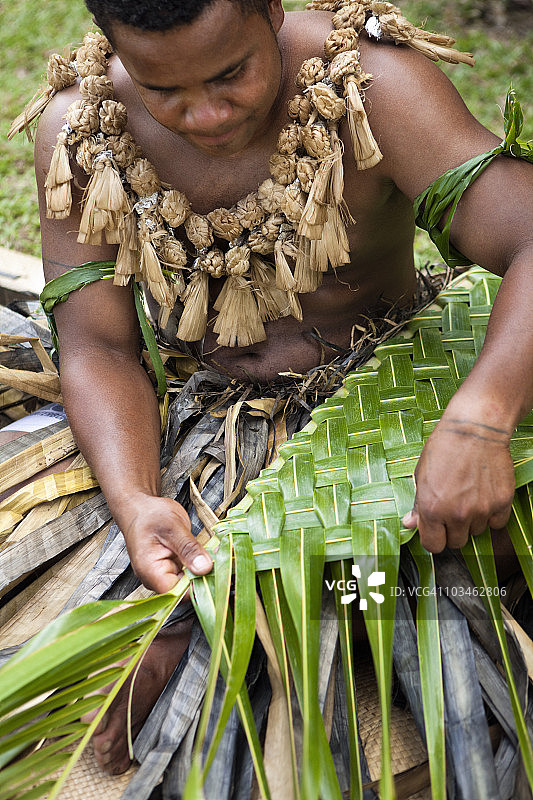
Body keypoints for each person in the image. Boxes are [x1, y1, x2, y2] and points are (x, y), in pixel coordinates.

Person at [6, 0, 533, 779]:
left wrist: (481, 420)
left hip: (389, 393)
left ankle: (216, 622)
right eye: (164, 90)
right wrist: (134, 498)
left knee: (453, 556)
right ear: (115, 52)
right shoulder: (84, 127)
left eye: (231, 74)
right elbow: (97, 344)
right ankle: (213, 610)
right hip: (206, 413)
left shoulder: (367, 84)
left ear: (270, 11)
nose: (207, 114)